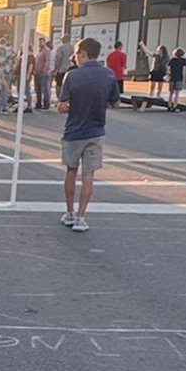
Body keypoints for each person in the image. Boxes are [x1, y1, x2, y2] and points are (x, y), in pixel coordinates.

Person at [58, 37, 119, 234]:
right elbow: (115, 102)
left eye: (76, 54)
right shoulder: (109, 75)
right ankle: (81, 217)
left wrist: (67, 107)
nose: (75, 58)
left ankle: (69, 212)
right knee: (88, 175)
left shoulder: (72, 76)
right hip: (96, 131)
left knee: (71, 171)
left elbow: (62, 105)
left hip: (74, 131)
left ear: (83, 54)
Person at [34, 38, 54, 110]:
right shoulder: (40, 51)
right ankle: (38, 103)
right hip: (37, 72)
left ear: (44, 42)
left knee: (44, 88)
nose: (40, 44)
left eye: (41, 42)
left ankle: (46, 104)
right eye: (39, 42)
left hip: (43, 73)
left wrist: (44, 70)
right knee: (37, 89)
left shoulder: (46, 50)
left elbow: (47, 61)